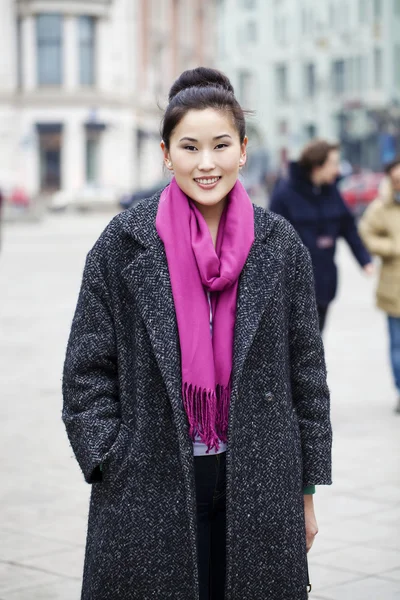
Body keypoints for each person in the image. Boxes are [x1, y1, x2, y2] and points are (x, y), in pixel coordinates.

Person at [62, 67, 332, 600]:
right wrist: (112, 459)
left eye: (220, 145)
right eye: (189, 147)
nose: (206, 163)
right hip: (149, 483)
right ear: (166, 154)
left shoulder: (279, 247)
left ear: (243, 150)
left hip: (260, 482)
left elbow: (308, 375)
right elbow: (86, 372)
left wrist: (304, 490)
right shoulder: (123, 245)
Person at [270, 139, 373, 332]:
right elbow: (271, 241)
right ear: (317, 166)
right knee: (295, 351)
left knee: (316, 345)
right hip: (293, 290)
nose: (337, 170)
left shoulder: (332, 191)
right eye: (333, 164)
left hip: (324, 285)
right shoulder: (284, 194)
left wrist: (365, 260)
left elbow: (349, 228)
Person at [358, 157, 400, 414]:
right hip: (394, 288)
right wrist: (392, 248)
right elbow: (366, 232)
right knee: (398, 345)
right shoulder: (381, 207)